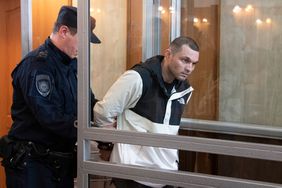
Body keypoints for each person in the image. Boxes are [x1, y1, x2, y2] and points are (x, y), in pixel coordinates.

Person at [0, 5, 100, 188]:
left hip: (59, 163)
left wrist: (104, 115)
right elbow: (49, 116)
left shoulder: (72, 65)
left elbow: (88, 101)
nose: (85, 47)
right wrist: (89, 127)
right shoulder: (38, 65)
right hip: (33, 166)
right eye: (82, 40)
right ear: (64, 32)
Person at [94, 36, 200, 188]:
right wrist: (110, 145)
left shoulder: (184, 89)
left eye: (193, 63)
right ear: (168, 54)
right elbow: (102, 113)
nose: (189, 68)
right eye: (185, 60)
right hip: (133, 174)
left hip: (167, 173)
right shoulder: (138, 78)